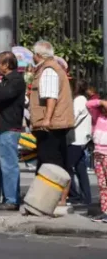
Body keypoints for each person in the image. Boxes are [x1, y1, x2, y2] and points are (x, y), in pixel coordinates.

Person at [29, 41, 74, 176]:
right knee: (49, 162)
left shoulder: (48, 70)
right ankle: (53, 195)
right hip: (55, 123)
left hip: (50, 125)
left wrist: (47, 119)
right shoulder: (52, 68)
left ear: (38, 55)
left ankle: (57, 195)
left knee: (51, 162)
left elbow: (51, 97)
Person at [0, 51, 27, 210]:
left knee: (9, 165)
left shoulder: (16, 80)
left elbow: (2, 96)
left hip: (9, 127)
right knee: (5, 164)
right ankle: (11, 196)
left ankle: (11, 200)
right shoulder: (7, 80)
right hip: (2, 126)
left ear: (7, 65)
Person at [67, 79, 93, 209]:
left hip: (76, 139)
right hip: (82, 139)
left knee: (67, 167)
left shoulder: (79, 101)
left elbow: (72, 118)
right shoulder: (84, 100)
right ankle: (86, 197)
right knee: (80, 168)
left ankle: (74, 195)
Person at [85, 92, 107, 222]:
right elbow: (88, 104)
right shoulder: (98, 116)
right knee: (102, 185)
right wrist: (101, 102)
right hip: (98, 153)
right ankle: (105, 211)